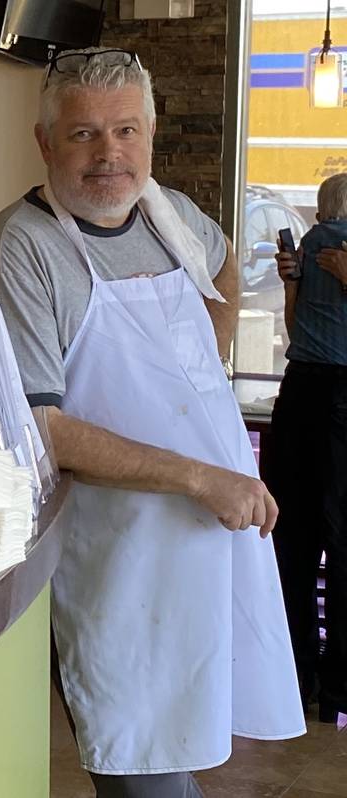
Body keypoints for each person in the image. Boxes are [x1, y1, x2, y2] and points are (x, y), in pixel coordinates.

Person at [0, 48, 305, 797]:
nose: (109, 154)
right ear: (45, 142)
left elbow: (222, 265)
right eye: (84, 134)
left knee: (197, 734)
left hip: (207, 538)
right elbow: (37, 428)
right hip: (116, 555)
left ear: (149, 132)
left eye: (126, 130)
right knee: (140, 765)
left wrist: (207, 359)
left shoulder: (169, 212)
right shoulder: (23, 247)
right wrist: (197, 475)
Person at [264, 172, 347, 723]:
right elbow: (297, 329)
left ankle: (305, 678)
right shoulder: (327, 248)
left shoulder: (321, 245)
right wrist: (293, 284)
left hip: (315, 392)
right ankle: (312, 682)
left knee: (306, 540)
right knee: (303, 538)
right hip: (312, 388)